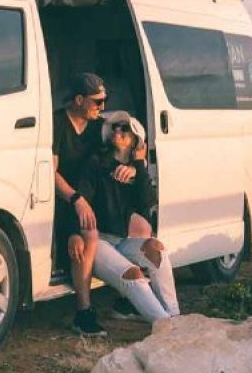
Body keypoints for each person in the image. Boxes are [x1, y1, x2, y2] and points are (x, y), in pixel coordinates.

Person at [75, 111, 179, 322]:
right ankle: (165, 325)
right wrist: (74, 234)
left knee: (157, 250)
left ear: (135, 141)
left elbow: (147, 202)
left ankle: (174, 315)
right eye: (115, 127)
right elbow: (80, 202)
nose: (118, 131)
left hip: (122, 242)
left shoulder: (134, 170)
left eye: (125, 129)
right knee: (133, 275)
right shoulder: (96, 163)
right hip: (98, 242)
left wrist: (138, 167)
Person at [53, 72, 108, 336]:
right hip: (62, 200)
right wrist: (75, 200)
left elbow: (131, 143)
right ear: (78, 100)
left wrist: (135, 167)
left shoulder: (99, 127)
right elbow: (50, 172)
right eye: (97, 102)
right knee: (89, 234)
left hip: (86, 199)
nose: (102, 107)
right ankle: (83, 312)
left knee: (89, 232)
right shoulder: (57, 124)